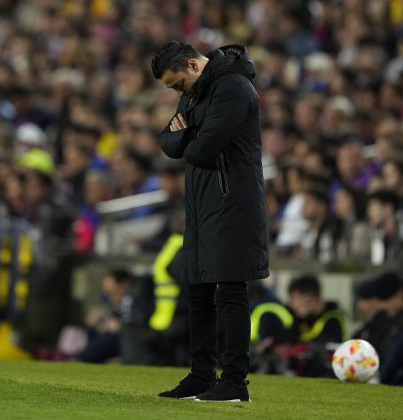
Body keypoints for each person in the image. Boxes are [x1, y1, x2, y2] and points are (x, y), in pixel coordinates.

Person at [151, 40, 269, 402]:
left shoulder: (233, 87)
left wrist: (186, 133)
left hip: (233, 202)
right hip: (202, 203)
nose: (176, 93)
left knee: (231, 291)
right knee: (198, 290)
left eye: (176, 84)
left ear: (192, 64)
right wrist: (189, 136)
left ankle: (235, 381)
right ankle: (201, 375)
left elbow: (203, 149)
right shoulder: (196, 91)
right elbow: (166, 143)